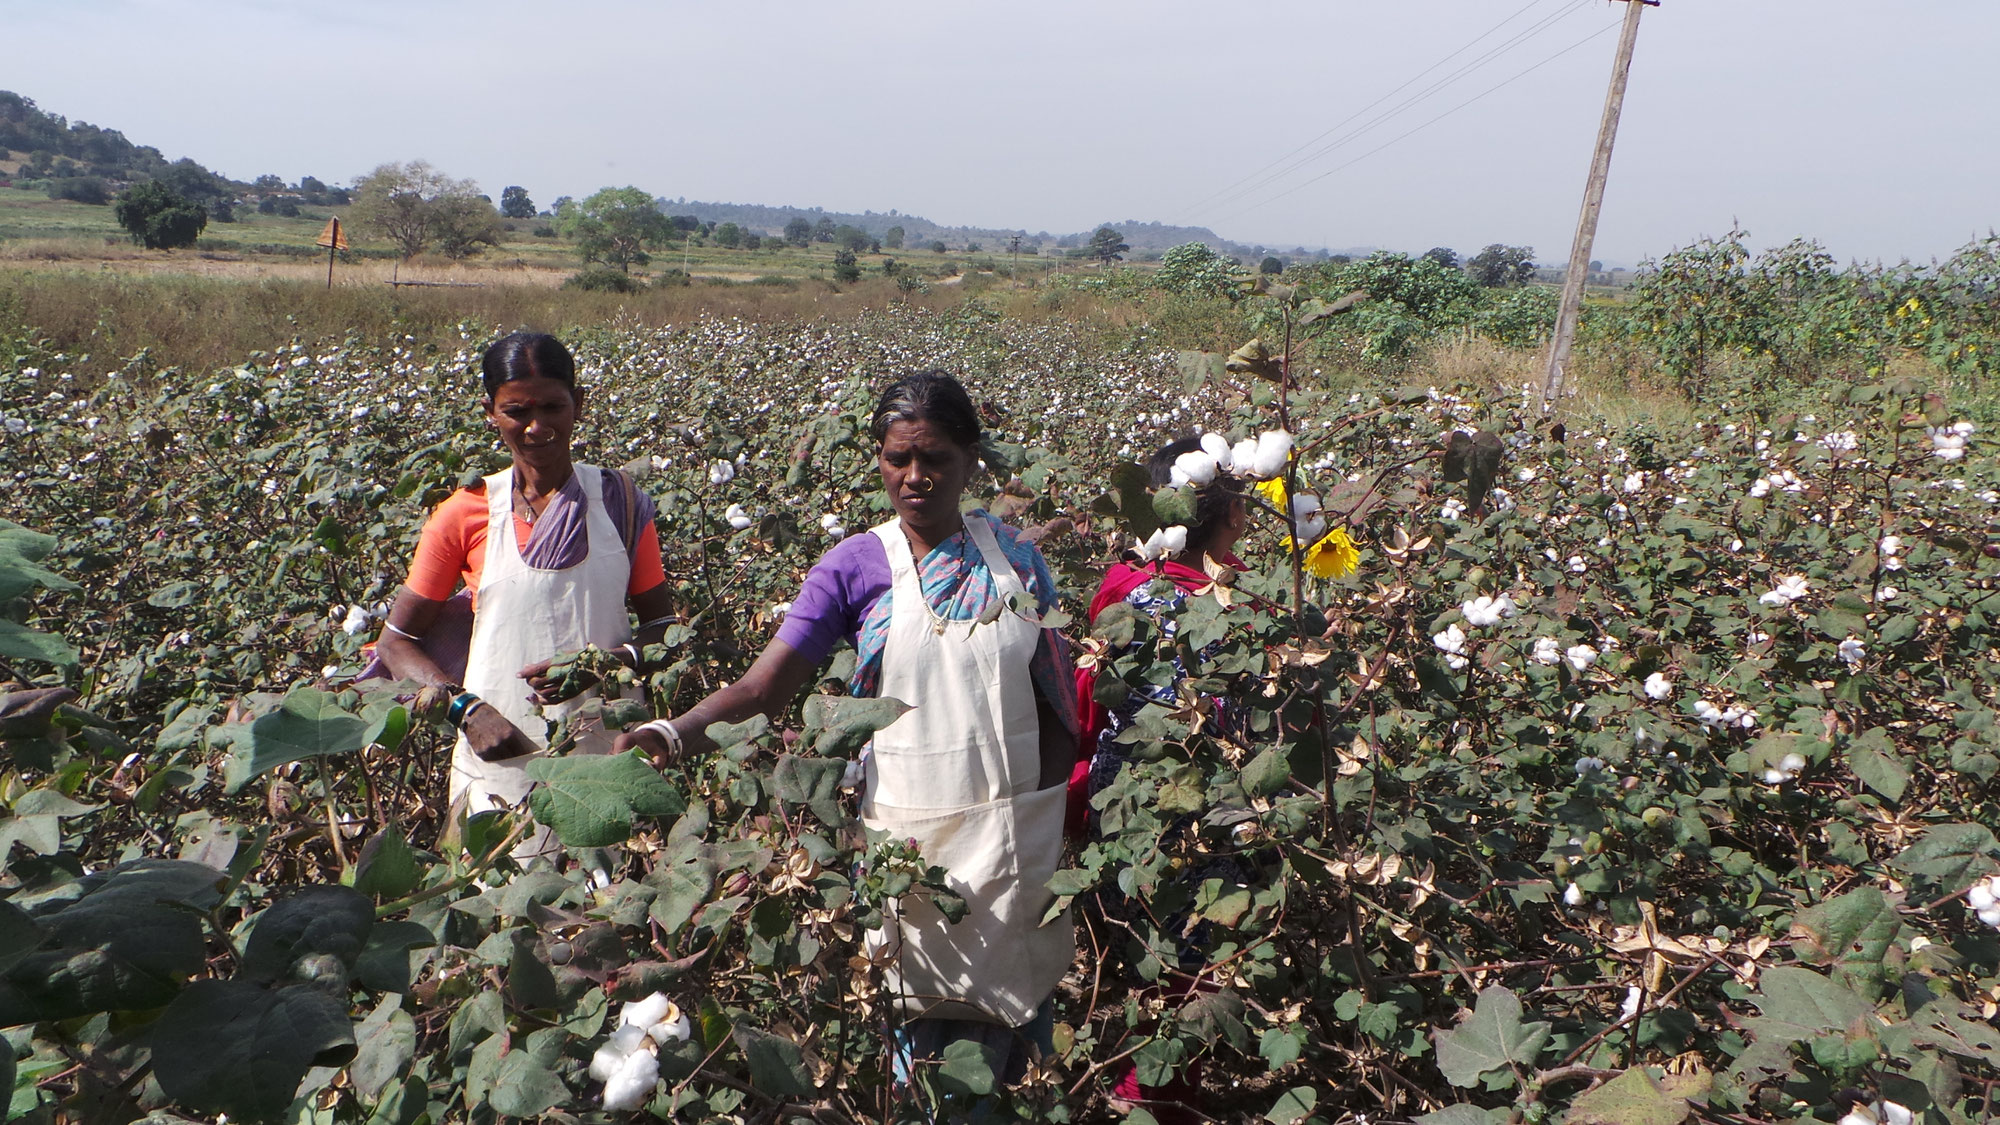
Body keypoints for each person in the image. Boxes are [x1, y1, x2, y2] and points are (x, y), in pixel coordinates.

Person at [618, 370, 1077, 1087]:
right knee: (924, 1061)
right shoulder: (856, 566)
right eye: (899, 459)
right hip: (910, 853)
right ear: (879, 458)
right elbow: (763, 687)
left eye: (936, 460)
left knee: (1018, 1062)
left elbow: (1056, 707)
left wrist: (1044, 823)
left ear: (970, 460)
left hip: (1016, 847)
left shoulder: (1016, 560)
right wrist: (674, 732)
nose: (916, 477)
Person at [373, 332, 677, 853]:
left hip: (608, 750)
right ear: (489, 412)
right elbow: (396, 640)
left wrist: (603, 664)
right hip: (498, 753)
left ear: (578, 404)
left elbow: (664, 629)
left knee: (603, 911)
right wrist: (465, 711)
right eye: (516, 411)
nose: (537, 428)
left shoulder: (620, 502)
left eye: (553, 407)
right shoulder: (463, 513)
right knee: (501, 904)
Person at [1071, 436, 1253, 1123]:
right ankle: (1158, 1090)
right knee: (1186, 947)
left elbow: (1090, 703)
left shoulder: (1122, 589)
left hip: (1128, 787)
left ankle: (1153, 1080)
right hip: (1201, 793)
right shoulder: (1238, 599)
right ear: (1228, 511)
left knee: (1147, 943)